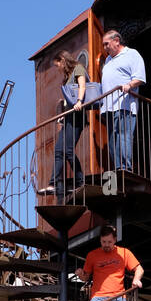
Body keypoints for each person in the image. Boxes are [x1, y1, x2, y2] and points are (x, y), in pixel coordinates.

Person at [39, 52, 88, 198]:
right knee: (59, 150)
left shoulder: (78, 68)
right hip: (68, 116)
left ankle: (80, 182)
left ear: (63, 60)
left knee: (68, 150)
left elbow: (82, 85)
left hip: (77, 114)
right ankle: (52, 184)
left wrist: (79, 101)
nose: (57, 68)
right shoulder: (66, 77)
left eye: (57, 65)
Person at [100, 29, 146, 172]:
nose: (105, 48)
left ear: (117, 41)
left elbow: (140, 78)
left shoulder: (132, 54)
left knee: (123, 135)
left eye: (107, 44)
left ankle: (125, 168)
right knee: (113, 139)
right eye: (103, 45)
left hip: (124, 104)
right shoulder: (108, 60)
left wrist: (129, 85)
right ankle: (118, 167)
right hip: (108, 106)